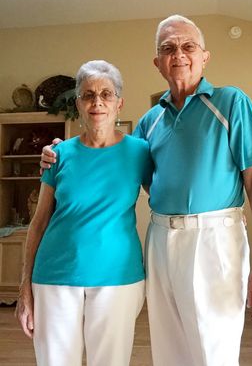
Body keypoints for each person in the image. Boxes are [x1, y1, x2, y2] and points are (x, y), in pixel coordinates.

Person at [41, 15, 252, 366]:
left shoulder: (230, 102)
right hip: (161, 240)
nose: (178, 54)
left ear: (204, 56)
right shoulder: (150, 121)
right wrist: (59, 151)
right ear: (157, 63)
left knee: (214, 353)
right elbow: (117, 162)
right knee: (169, 352)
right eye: (168, 48)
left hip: (215, 239)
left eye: (187, 46)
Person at [16, 60, 152, 366]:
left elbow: (167, 194)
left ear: (120, 103)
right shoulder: (58, 155)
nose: (97, 102)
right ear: (78, 103)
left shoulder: (140, 152)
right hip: (53, 278)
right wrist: (24, 287)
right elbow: (38, 224)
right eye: (88, 95)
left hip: (118, 279)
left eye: (106, 93)